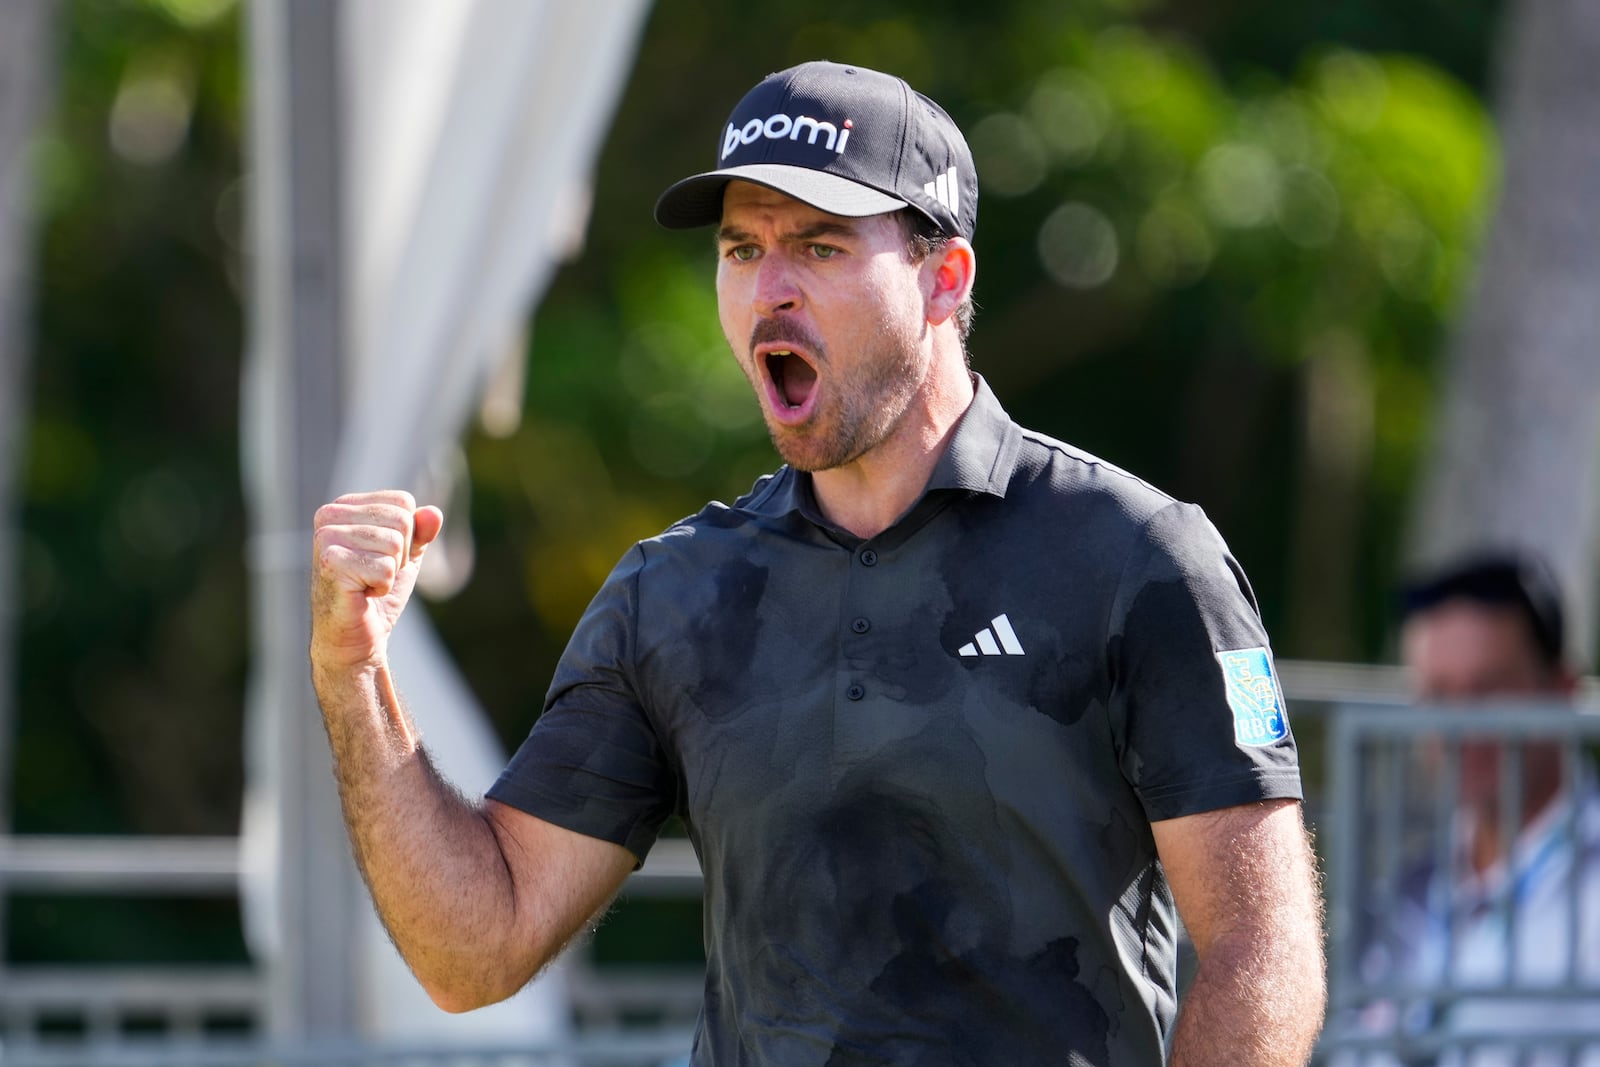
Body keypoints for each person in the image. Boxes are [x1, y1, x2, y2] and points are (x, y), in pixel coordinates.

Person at [309, 60, 1326, 1065]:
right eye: (742, 248)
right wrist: (355, 676)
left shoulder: (1135, 556)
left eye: (821, 245)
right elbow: (473, 949)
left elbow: (1259, 952)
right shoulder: (676, 594)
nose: (771, 289)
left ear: (944, 278)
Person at [1341, 551, 1600, 1066]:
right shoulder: (1411, 888)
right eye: (1438, 695)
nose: (1460, 725)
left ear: (1562, 690)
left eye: (1490, 690)